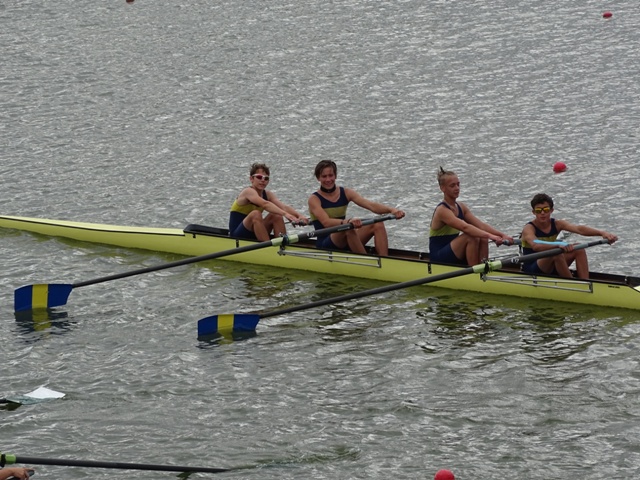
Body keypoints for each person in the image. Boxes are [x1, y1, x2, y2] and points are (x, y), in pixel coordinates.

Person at [308, 159, 405, 256]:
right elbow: (326, 222)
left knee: (378, 224)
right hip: (325, 244)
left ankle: (384, 259)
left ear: (335, 176)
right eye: (324, 176)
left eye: (331, 175)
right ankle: (366, 261)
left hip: (345, 237)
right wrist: (347, 221)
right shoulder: (314, 199)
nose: (328, 180)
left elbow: (371, 206)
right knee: (347, 228)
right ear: (318, 178)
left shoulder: (346, 192)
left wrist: (392, 210)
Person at [520, 193, 618, 279]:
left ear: (551, 210)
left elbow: (579, 229)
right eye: (538, 210)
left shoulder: (557, 224)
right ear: (533, 212)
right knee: (556, 253)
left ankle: (586, 282)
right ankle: (572, 284)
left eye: (546, 209)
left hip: (550, 263)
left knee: (579, 249)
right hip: (532, 268)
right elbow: (536, 245)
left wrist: (602, 233)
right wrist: (558, 245)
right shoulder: (529, 228)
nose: (542, 213)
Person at [429, 167, 513, 265]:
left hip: (454, 251)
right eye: (452, 185)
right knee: (471, 236)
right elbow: (465, 227)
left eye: (458, 184)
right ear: (442, 188)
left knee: (482, 235)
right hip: (438, 256)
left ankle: (484, 267)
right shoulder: (442, 210)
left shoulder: (461, 206)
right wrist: (492, 237)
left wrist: (502, 235)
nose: (457, 188)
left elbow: (481, 225)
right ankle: (474, 271)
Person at [229, 163, 308, 241]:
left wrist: (299, 216)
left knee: (276, 215)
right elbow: (265, 204)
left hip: (256, 232)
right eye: (259, 177)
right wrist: (285, 214)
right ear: (251, 179)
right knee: (255, 214)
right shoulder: (248, 191)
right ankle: (268, 246)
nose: (263, 180)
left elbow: (283, 207)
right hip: (238, 234)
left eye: (266, 178)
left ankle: (282, 244)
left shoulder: (268, 194)